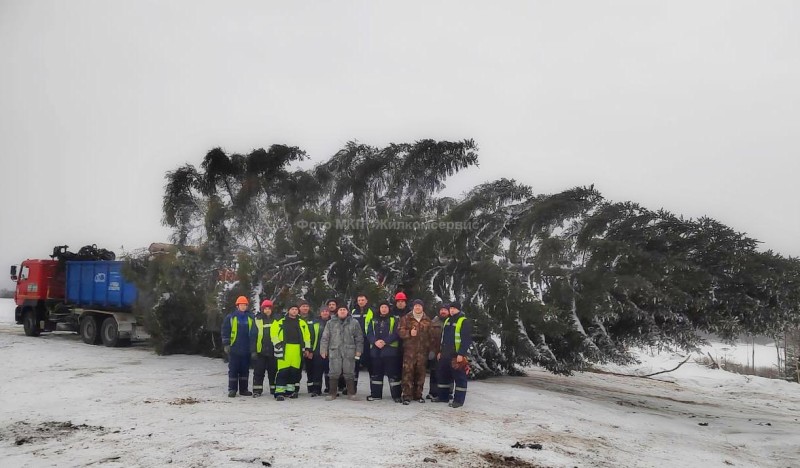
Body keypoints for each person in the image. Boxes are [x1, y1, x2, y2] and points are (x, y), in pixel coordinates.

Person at [320, 305, 363, 401]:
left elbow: (359, 338)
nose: (342, 311)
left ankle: (351, 393)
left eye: (344, 310)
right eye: (340, 309)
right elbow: (325, 337)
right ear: (337, 312)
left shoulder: (354, 322)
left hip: (349, 351)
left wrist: (359, 350)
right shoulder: (330, 323)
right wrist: (323, 349)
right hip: (335, 350)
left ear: (347, 311)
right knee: (334, 372)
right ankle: (332, 393)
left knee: (349, 372)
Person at [434, 301, 473, 408]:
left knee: (459, 377)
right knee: (443, 375)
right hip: (445, 353)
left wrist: (461, 353)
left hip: (456, 355)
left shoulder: (463, 321)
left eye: (454, 309)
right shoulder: (447, 320)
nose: (452, 310)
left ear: (458, 309)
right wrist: (440, 352)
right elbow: (443, 338)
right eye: (450, 308)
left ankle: (458, 401)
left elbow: (466, 339)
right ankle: (443, 397)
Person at [270, 303, 311, 401]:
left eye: (296, 309)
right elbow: (273, 333)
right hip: (284, 348)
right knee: (283, 371)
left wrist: (307, 349)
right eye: (292, 309)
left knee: (294, 371)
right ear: (288, 310)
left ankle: (290, 391)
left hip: (297, 349)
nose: (294, 311)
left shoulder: (302, 323)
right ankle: (279, 392)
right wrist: (277, 343)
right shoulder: (280, 321)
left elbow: (307, 336)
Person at [398, 299, 435, 405]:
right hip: (409, 352)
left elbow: (431, 336)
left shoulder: (427, 320)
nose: (417, 308)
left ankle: (418, 395)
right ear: (413, 307)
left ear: (422, 307)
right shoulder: (406, 318)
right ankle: (406, 395)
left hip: (423, 352)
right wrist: (409, 333)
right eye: (416, 306)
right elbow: (400, 332)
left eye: (419, 306)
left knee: (420, 374)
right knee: (407, 373)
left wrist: (431, 350)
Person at [365, 301, 402, 402]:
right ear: (379, 309)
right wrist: (375, 341)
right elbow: (369, 333)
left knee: (393, 374)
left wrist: (385, 341)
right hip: (376, 351)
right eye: (382, 307)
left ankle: (396, 396)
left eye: (386, 307)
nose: (384, 309)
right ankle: (376, 395)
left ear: (389, 309)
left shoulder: (394, 320)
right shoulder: (373, 320)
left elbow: (396, 333)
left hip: (390, 351)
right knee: (376, 374)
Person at [221, 296, 254, 397]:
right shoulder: (231, 317)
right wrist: (226, 344)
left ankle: (244, 389)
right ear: (237, 305)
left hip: (246, 348)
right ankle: (232, 389)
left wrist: (253, 348)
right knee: (233, 370)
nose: (243, 307)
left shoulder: (251, 317)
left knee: (245, 370)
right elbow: (225, 331)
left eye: (245, 305)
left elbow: (254, 332)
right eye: (241, 305)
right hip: (234, 347)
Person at [249, 299, 278, 397]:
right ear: (262, 309)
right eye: (265, 309)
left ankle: (274, 389)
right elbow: (253, 336)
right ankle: (257, 390)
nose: (267, 310)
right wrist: (253, 350)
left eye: (269, 308)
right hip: (260, 350)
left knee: (273, 371)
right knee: (258, 372)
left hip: (273, 350)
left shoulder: (276, 319)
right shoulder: (257, 320)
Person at [350, 294, 374, 393]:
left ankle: (374, 390)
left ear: (366, 301)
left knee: (371, 367)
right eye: (359, 300)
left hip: (368, 342)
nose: (361, 302)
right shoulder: (353, 311)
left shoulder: (371, 311)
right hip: (356, 342)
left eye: (362, 300)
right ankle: (352, 389)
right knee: (354, 366)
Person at [307, 304, 332, 397]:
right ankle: (316, 390)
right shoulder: (314, 323)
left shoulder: (333, 322)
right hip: (317, 350)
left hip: (331, 351)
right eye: (323, 311)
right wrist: (310, 350)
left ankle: (330, 389)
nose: (325, 313)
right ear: (320, 313)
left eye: (326, 311)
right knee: (317, 371)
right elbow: (310, 336)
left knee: (330, 371)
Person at [427, 303, 450, 399]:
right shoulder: (433, 322)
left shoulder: (451, 322)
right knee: (434, 373)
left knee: (447, 373)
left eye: (445, 310)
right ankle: (433, 392)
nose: (443, 311)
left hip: (447, 352)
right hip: (434, 352)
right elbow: (429, 337)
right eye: (441, 310)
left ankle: (447, 393)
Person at [298, 300, 316, 394]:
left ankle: (311, 388)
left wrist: (310, 349)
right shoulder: (295, 318)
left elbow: (314, 335)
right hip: (297, 348)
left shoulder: (313, 319)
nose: (305, 308)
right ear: (299, 308)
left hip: (310, 348)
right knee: (297, 369)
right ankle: (295, 388)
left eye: (306, 306)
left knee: (310, 370)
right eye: (303, 306)